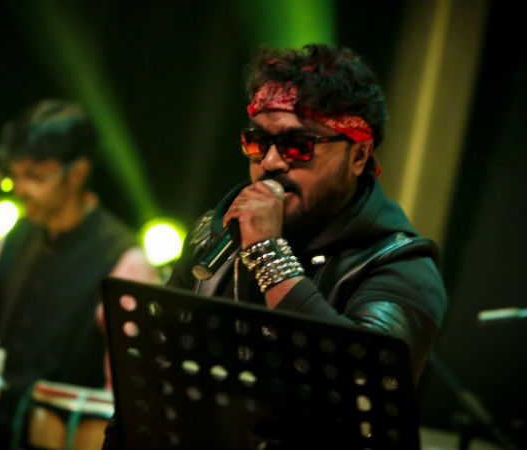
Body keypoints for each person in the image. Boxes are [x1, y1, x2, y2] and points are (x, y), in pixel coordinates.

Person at [102, 43, 447, 449]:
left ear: (358, 155)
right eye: (256, 142)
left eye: (297, 145)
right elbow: (149, 382)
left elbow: (359, 383)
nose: (270, 162)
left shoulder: (400, 265)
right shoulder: (214, 235)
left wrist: (269, 253)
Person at [0, 100, 159, 450]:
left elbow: (126, 397)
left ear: (77, 173)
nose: (21, 188)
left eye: (35, 176)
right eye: (14, 175)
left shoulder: (125, 261)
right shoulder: (12, 238)